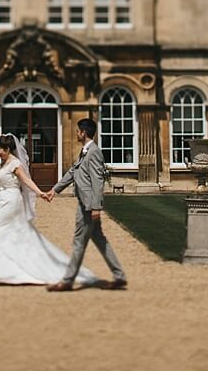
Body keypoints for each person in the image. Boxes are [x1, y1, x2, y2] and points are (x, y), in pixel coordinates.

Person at [0, 133, 98, 286]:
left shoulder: (15, 164)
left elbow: (26, 181)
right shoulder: (3, 164)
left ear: (7, 149)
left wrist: (40, 193)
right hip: (4, 199)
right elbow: (3, 182)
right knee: (13, 233)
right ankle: (4, 269)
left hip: (12, 202)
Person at [45, 118, 128, 292]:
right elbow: (73, 171)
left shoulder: (94, 152)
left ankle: (67, 281)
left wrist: (96, 207)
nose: (76, 133)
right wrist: (55, 189)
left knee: (78, 242)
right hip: (85, 203)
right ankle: (119, 276)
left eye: (77, 131)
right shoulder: (85, 151)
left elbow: (98, 181)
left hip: (88, 206)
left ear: (83, 133)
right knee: (99, 238)